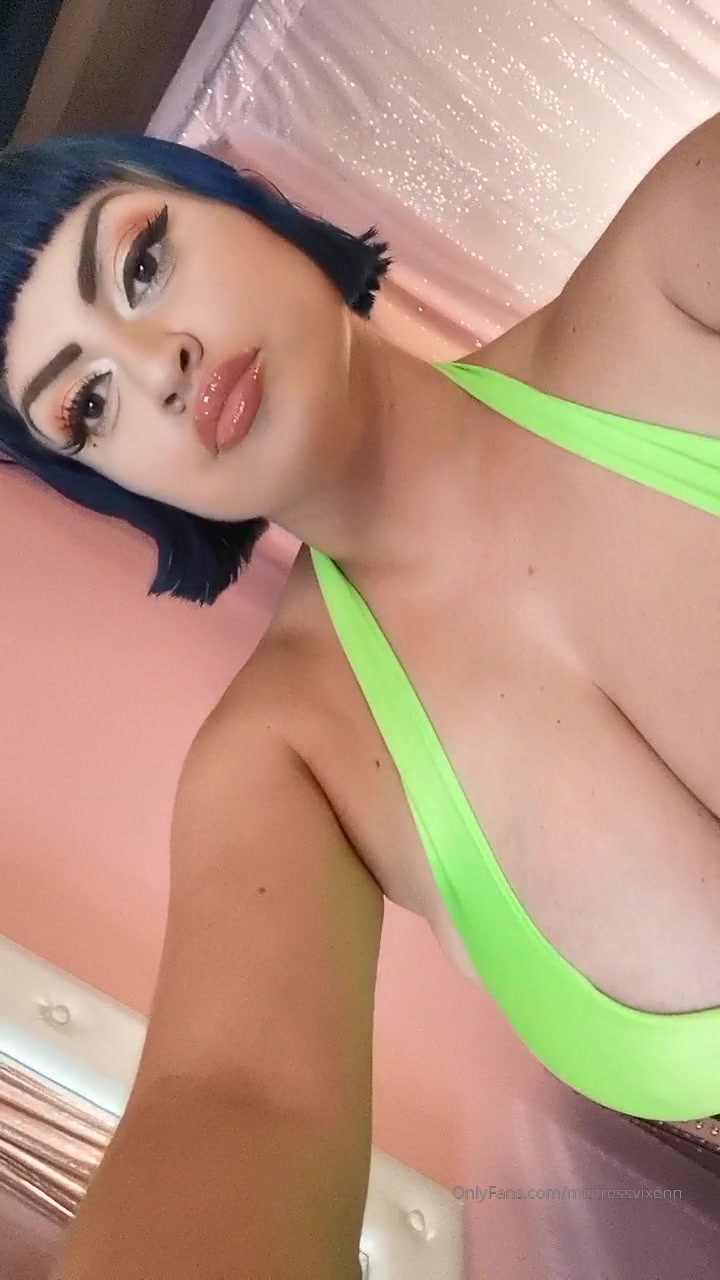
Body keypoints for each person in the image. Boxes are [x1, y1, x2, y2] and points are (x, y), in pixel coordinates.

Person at [1, 115, 719, 1278]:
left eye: (141, 262)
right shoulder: (287, 766)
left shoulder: (676, 280)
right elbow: (230, 1100)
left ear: (241, 201)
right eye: (85, 406)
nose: (153, 364)